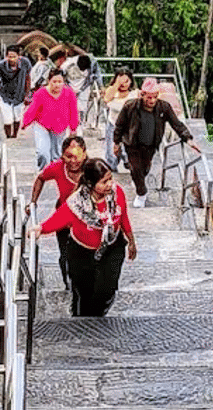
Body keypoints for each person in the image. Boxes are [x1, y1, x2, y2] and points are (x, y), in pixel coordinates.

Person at [30, 158, 135, 316]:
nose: (110, 184)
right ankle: (82, 321)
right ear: (91, 184)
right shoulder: (77, 202)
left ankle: (97, 315)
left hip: (112, 247)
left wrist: (132, 242)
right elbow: (59, 218)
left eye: (110, 178)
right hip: (82, 254)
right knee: (84, 293)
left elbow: (123, 217)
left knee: (107, 289)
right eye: (104, 181)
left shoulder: (116, 192)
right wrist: (40, 229)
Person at [112, 78, 200, 207]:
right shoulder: (130, 106)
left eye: (154, 97)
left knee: (144, 169)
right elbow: (119, 125)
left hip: (151, 145)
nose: (152, 101)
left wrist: (188, 139)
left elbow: (177, 124)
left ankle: (138, 180)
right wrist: (116, 143)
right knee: (136, 168)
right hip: (133, 144)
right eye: (149, 97)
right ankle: (141, 193)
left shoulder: (163, 107)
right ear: (142, 95)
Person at [29, 136, 87, 288]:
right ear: (62, 155)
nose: (73, 161)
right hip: (64, 219)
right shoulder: (57, 167)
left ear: (85, 154)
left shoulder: (93, 169)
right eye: (68, 156)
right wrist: (33, 202)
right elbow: (41, 177)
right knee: (66, 254)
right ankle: (69, 283)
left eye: (77, 156)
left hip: (86, 220)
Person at [21, 68, 79, 169]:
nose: (57, 84)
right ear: (49, 81)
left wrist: (73, 128)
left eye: (60, 82)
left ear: (63, 82)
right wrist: (25, 124)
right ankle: (42, 171)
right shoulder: (41, 93)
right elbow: (32, 110)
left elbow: (73, 111)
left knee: (56, 154)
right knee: (43, 152)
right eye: (54, 81)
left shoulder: (69, 93)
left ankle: (54, 172)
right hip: (42, 125)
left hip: (59, 127)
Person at [0, 44, 32, 138]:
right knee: (7, 119)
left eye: (14, 57)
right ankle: (8, 136)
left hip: (19, 94)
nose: (12, 59)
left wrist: (28, 93)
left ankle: (15, 134)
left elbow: (28, 78)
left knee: (17, 117)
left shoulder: (25, 63)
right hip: (5, 94)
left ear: (19, 56)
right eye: (10, 57)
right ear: (6, 56)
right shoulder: (0, 66)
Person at [103, 68, 135, 169]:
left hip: (128, 127)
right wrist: (117, 84)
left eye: (126, 81)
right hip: (113, 124)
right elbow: (106, 99)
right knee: (111, 155)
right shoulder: (112, 92)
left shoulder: (134, 94)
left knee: (128, 152)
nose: (123, 84)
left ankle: (127, 161)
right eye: (121, 81)